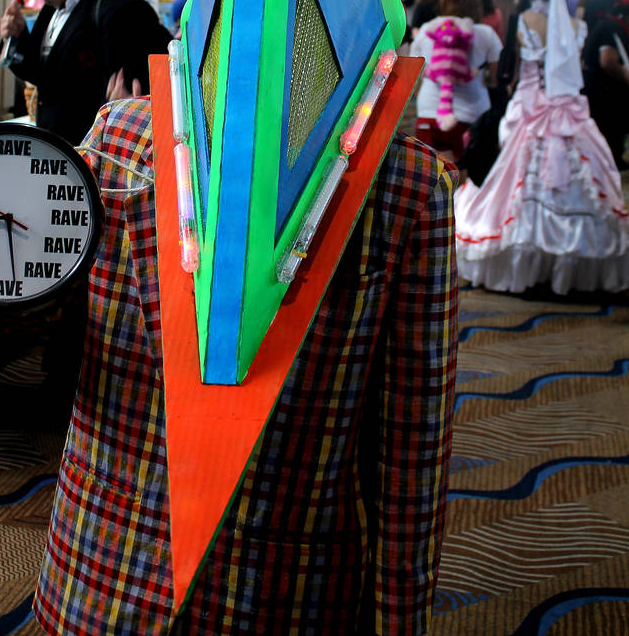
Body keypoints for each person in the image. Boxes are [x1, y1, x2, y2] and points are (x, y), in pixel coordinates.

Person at [33, 97, 458, 635]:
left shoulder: (404, 185)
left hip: (278, 581)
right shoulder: (119, 138)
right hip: (109, 563)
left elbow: (412, 442)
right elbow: (28, 312)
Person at [455, 0, 629, 295]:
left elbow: (516, 71)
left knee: (515, 181)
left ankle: (525, 263)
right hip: (569, 110)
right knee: (583, 179)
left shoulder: (524, 22)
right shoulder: (578, 25)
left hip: (532, 108)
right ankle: (569, 266)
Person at [0, 0, 171, 145]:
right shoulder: (53, 6)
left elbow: (131, 98)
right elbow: (43, 76)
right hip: (55, 152)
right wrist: (15, 37)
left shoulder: (122, 9)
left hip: (90, 158)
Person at [411, 0, 502, 162]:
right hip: (473, 115)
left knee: (431, 177)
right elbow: (494, 78)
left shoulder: (428, 29)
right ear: (476, 2)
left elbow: (415, 71)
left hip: (430, 111)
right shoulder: (486, 34)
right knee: (466, 180)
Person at [582, 0, 629, 170]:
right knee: (609, 130)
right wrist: (625, 76)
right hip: (604, 89)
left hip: (597, 86)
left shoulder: (607, 24)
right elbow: (607, 60)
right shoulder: (613, 28)